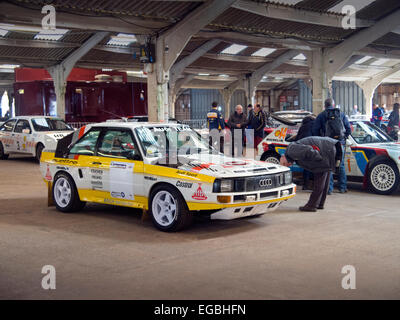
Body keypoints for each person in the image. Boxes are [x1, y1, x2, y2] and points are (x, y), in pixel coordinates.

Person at [280, 136, 343, 212]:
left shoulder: (291, 151)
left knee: (319, 181)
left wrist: (319, 159)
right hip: (331, 146)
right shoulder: (292, 152)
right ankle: (320, 204)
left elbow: (309, 150)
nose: (287, 165)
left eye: (284, 163)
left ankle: (311, 205)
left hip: (327, 150)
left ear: (282, 156)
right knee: (325, 179)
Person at [312, 98, 351, 194]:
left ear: (324, 105)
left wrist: (320, 140)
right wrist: (343, 138)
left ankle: (329, 189)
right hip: (339, 143)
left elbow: (315, 130)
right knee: (340, 165)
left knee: (328, 166)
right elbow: (348, 128)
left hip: (327, 143)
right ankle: (342, 187)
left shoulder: (321, 115)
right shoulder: (341, 114)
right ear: (333, 105)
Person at [295, 115, 316, 190]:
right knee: (313, 167)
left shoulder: (302, 127)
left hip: (303, 148)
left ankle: (306, 185)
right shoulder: (315, 125)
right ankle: (313, 185)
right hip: (313, 148)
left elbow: (297, 138)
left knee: (306, 167)